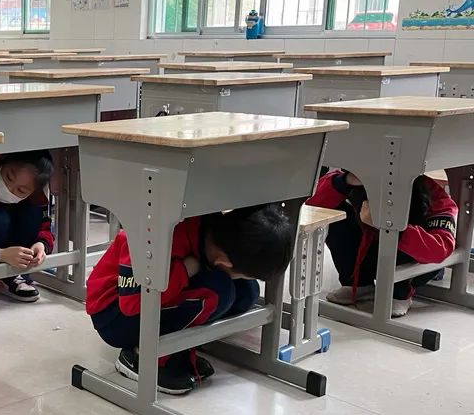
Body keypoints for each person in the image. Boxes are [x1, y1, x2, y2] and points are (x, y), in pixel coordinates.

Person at [86, 204, 295, 395]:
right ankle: (144, 357)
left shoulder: (210, 229)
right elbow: (131, 303)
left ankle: (181, 344)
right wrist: (185, 270)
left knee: (247, 291)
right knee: (219, 292)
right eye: (241, 273)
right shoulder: (160, 233)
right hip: (113, 314)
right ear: (223, 261)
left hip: (147, 295)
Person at [308, 169, 457, 317]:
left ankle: (400, 292)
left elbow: (440, 248)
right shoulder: (351, 177)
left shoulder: (432, 194)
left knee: (407, 223)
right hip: (371, 248)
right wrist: (346, 181)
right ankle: (359, 284)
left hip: (415, 259)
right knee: (331, 211)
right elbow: (309, 208)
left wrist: (390, 227)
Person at [0, 150, 56, 314]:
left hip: (8, 248)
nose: (9, 189)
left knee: (30, 214)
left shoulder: (36, 196)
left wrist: (41, 244)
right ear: (0, 161)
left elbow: (44, 225)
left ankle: (10, 276)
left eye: (21, 191)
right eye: (8, 177)